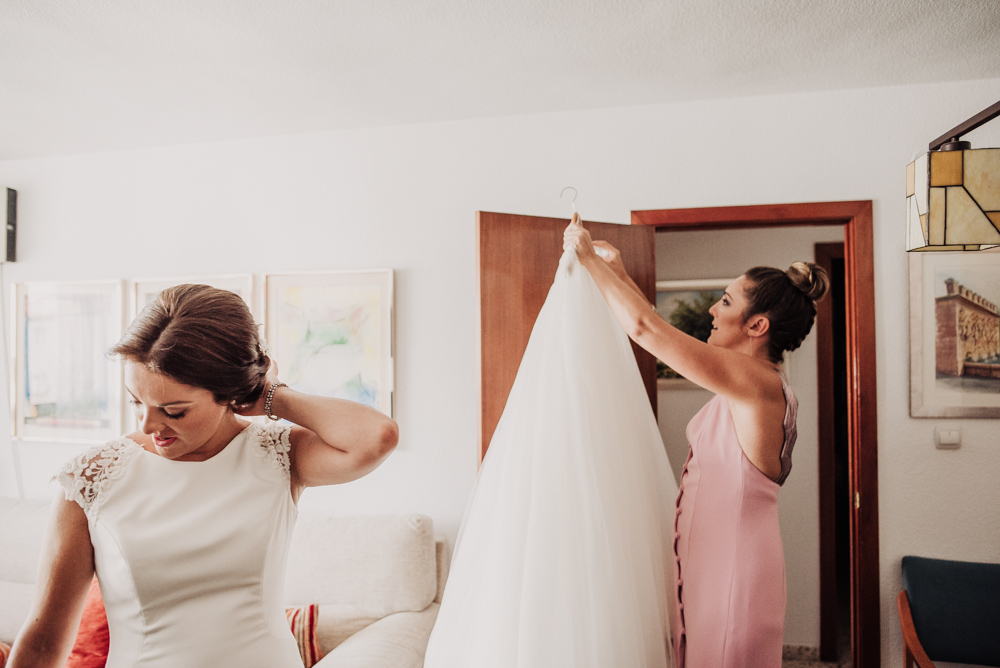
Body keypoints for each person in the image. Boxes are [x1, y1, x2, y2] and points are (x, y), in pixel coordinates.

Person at [9, 284, 399, 668]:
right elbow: (43, 645)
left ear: (230, 392)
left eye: (174, 411)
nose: (148, 425)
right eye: (136, 402)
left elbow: (376, 437)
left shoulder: (279, 455)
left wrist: (272, 395)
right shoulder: (92, 477)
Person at [564, 220, 829, 668]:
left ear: (757, 324)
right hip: (713, 565)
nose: (712, 310)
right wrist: (620, 272)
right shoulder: (746, 383)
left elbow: (647, 330)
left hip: (734, 572)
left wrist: (588, 259)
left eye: (725, 301)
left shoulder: (756, 381)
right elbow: (660, 329)